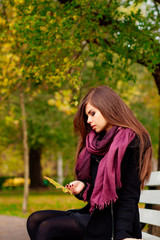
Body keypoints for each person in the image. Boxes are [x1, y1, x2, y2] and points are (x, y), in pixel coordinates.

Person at [27, 86, 152, 240]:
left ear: (108, 107)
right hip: (95, 215)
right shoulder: (96, 143)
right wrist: (83, 188)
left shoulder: (131, 141)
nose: (88, 120)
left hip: (113, 223)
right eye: (87, 116)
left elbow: (128, 195)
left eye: (92, 113)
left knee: (48, 228)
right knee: (35, 220)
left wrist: (123, 235)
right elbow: (100, 193)